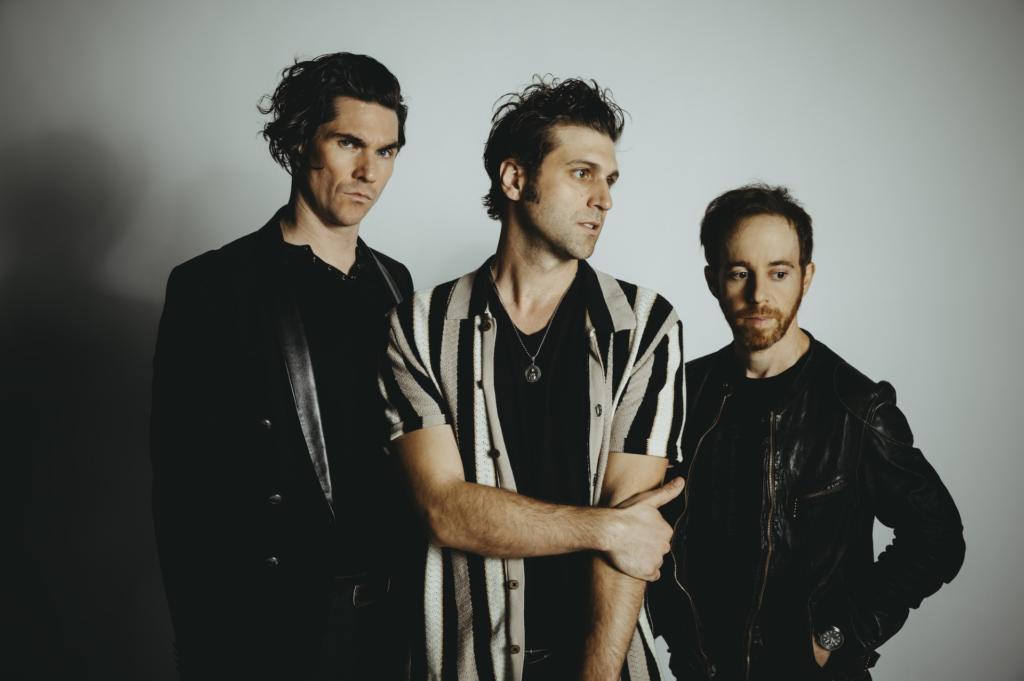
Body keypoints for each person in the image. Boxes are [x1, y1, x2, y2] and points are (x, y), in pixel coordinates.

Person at [378, 77, 685, 681]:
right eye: (582, 173)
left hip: (608, 661)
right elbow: (443, 510)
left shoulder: (644, 325)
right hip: (469, 664)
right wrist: (605, 529)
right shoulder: (419, 325)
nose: (604, 199)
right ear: (515, 179)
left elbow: (635, 527)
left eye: (611, 179)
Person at [150, 52, 414, 680]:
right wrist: (204, 651)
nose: (368, 171)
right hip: (272, 620)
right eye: (349, 143)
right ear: (299, 141)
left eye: (386, 151)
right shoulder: (215, 286)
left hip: (393, 611)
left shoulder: (396, 284)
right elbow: (182, 492)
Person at [653, 184, 966, 680]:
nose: (759, 294)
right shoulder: (679, 394)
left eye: (779, 273)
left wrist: (836, 634)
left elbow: (937, 536)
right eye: (740, 273)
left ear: (806, 277)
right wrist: (672, 629)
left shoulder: (858, 408)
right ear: (713, 280)